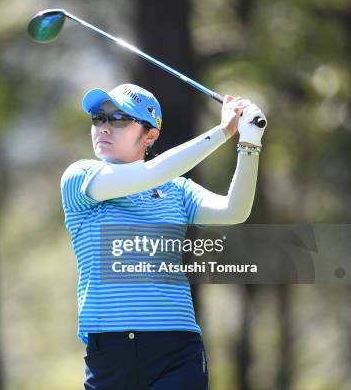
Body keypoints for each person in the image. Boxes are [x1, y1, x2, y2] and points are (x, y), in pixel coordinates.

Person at [60, 83, 266, 390]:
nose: (104, 127)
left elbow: (233, 211)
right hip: (110, 351)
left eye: (118, 119)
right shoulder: (80, 178)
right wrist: (222, 131)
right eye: (98, 118)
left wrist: (249, 144)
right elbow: (150, 174)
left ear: (149, 135)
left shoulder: (177, 190)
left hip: (176, 348)